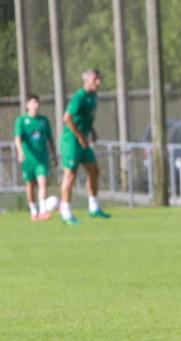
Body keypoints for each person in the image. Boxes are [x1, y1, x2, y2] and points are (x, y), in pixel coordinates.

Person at [59, 68, 110, 225]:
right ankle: (65, 211)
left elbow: (86, 117)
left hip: (83, 140)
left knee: (93, 170)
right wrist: (80, 136)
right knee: (71, 175)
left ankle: (93, 207)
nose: (98, 82)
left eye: (99, 79)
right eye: (95, 79)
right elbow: (66, 118)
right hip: (71, 140)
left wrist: (92, 131)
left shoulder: (93, 96)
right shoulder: (79, 96)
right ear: (87, 81)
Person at [14, 94, 56, 221]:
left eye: (37, 102)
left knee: (43, 183)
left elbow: (50, 139)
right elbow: (17, 139)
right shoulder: (21, 120)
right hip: (28, 159)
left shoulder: (43, 120)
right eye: (33, 102)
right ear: (27, 105)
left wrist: (54, 155)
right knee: (30, 185)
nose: (35, 105)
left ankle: (43, 211)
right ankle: (33, 211)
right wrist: (20, 153)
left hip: (42, 158)